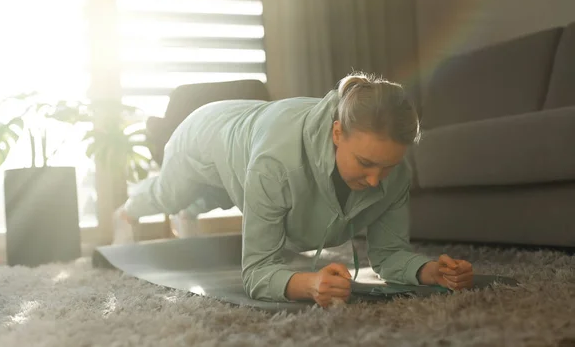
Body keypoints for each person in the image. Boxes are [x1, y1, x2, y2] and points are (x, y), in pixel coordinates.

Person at [114, 72, 474, 307]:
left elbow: (389, 255)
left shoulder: (393, 175)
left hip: (250, 138)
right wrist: (309, 284)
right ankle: (127, 211)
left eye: (388, 166)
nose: (377, 181)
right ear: (336, 134)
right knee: (171, 194)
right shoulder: (276, 164)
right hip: (204, 132)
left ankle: (191, 210)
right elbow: (256, 272)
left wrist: (431, 271)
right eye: (365, 163)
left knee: (219, 196)